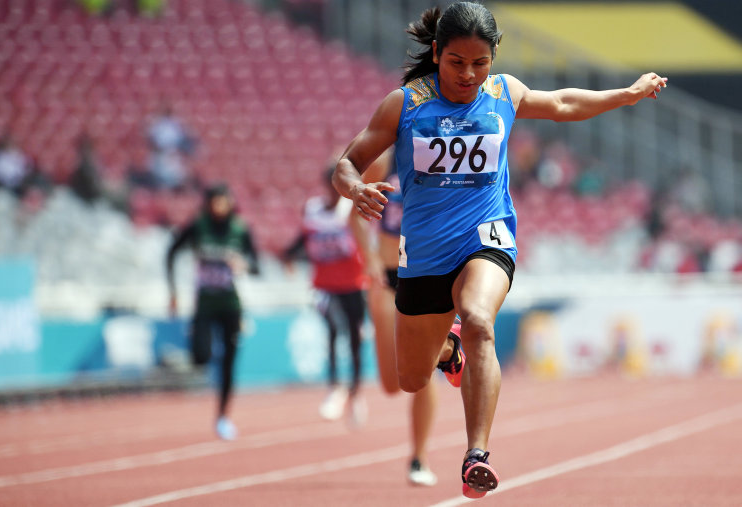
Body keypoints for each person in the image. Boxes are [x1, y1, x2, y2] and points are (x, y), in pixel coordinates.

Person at [332, 2, 667, 498]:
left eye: (480, 63)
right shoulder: (404, 104)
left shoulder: (503, 93)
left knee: (478, 320)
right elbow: (347, 163)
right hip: (424, 252)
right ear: (437, 53)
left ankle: (476, 457)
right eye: (457, 62)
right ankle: (449, 354)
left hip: (486, 236)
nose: (468, 74)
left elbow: (563, 104)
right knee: (410, 378)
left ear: (493, 58)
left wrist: (626, 95)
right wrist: (356, 189)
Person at [349, 148, 465, 486]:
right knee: (392, 383)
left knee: (423, 373)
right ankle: (445, 350)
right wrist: (369, 258)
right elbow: (353, 214)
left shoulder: (446, 154)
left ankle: (419, 457)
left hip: (427, 278)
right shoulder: (386, 161)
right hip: (387, 280)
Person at [166, 183, 259, 440]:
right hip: (205, 304)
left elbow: (256, 264)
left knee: (229, 363)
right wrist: (173, 292)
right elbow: (171, 252)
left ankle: (222, 416)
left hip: (231, 305)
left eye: (224, 201)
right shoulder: (198, 226)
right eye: (215, 201)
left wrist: (244, 264)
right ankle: (207, 356)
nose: (220, 207)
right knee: (200, 357)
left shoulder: (240, 229)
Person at [282, 167, 369, 426]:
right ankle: (335, 387)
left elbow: (366, 238)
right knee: (332, 328)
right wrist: (289, 255)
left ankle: (355, 393)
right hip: (324, 286)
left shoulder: (351, 209)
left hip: (353, 284)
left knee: (355, 339)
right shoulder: (312, 210)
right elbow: (304, 238)